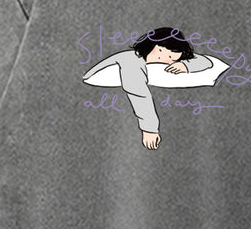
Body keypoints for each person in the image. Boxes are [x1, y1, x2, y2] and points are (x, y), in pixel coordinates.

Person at [82, 27, 213, 150]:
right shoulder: (131, 60)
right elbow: (139, 93)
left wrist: (186, 66)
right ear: (157, 47)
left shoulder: (158, 60)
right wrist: (149, 130)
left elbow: (205, 61)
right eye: (168, 57)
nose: (169, 62)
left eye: (173, 60)